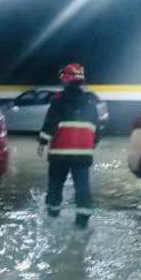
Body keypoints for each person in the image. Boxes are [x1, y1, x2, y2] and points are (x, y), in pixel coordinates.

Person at [37, 63, 103, 229]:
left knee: (55, 185)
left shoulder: (58, 100)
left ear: (65, 79)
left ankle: (52, 217)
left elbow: (50, 123)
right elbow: (97, 129)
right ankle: (82, 222)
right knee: (82, 187)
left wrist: (43, 141)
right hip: (83, 154)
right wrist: (91, 145)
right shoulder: (91, 101)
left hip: (60, 153)